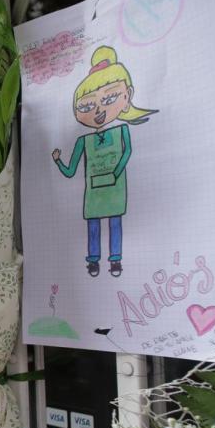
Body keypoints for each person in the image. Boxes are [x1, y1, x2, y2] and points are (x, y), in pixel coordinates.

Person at [51, 45, 156, 278]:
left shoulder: (122, 131)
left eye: (109, 98)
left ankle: (115, 260)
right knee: (93, 225)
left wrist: (115, 174)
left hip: (114, 187)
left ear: (127, 97)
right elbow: (70, 171)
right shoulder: (83, 140)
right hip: (94, 191)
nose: (98, 110)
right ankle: (93, 260)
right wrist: (57, 161)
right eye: (87, 106)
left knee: (115, 222)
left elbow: (127, 153)